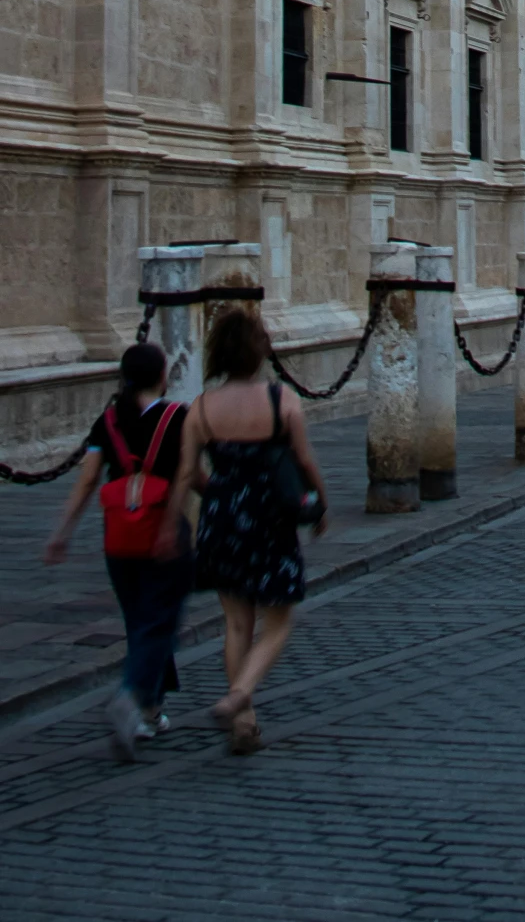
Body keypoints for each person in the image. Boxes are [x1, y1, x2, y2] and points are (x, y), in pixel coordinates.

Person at [157, 308, 328, 755]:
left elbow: (185, 473)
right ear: (259, 352)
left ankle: (244, 722)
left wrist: (175, 522)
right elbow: (305, 461)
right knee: (278, 619)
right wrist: (320, 502)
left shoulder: (201, 408)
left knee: (236, 622)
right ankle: (239, 696)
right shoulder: (282, 400)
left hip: (221, 517)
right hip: (270, 519)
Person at [44, 341, 191, 762]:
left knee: (141, 622)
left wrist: (62, 532)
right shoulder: (177, 418)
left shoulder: (107, 422)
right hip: (164, 534)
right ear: (163, 375)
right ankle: (131, 696)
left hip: (119, 539)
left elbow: (88, 480)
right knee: (159, 621)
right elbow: (189, 475)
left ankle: (151, 709)